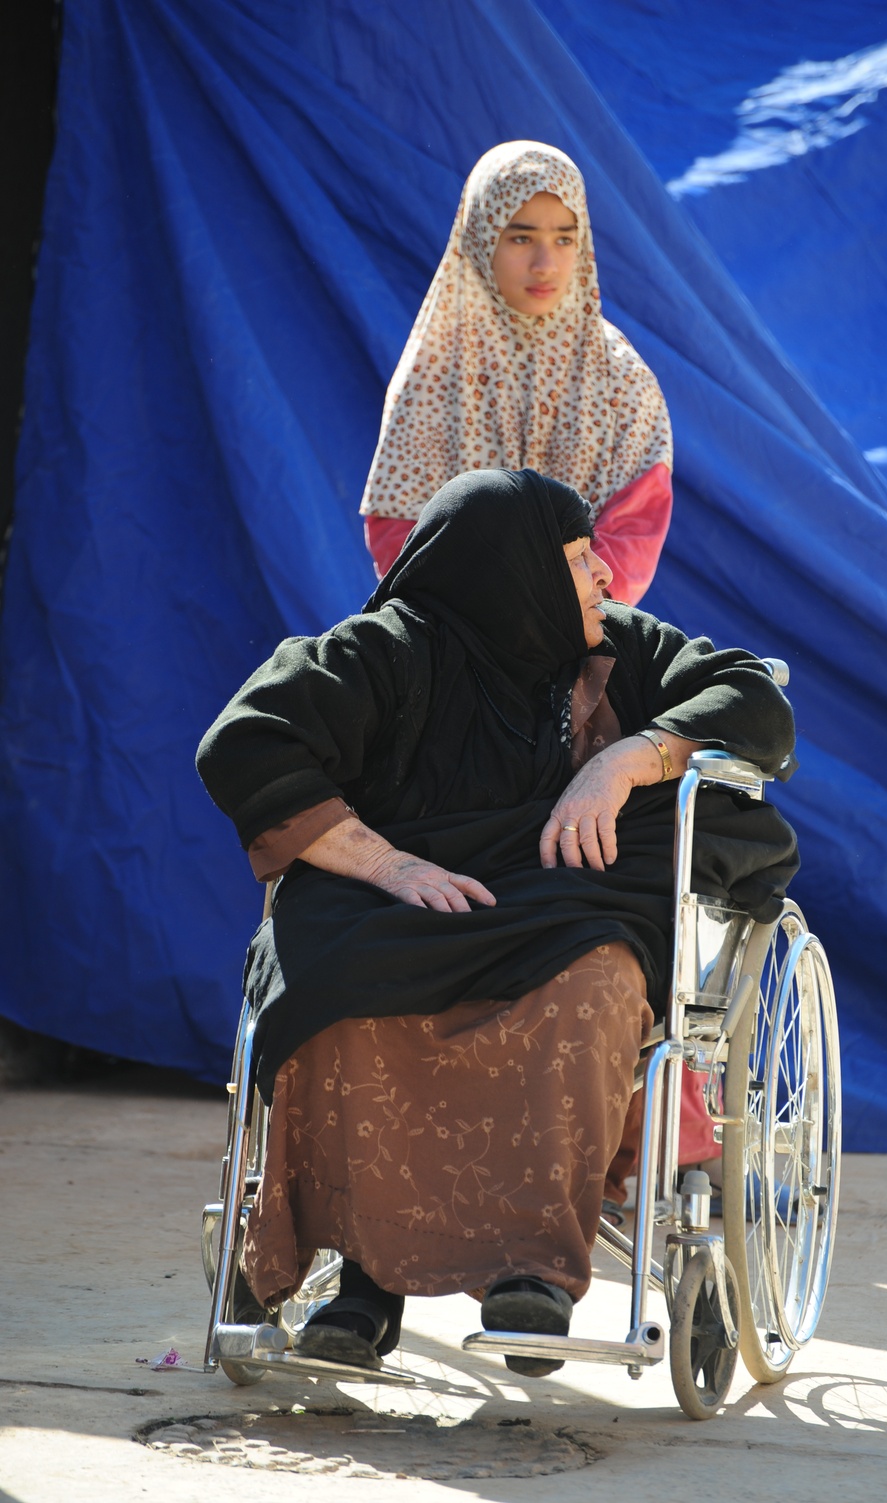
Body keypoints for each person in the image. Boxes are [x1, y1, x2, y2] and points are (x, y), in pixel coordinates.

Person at [197, 468, 797, 1376]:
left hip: (566, 909)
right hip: (407, 905)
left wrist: (630, 758)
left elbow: (754, 700)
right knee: (333, 988)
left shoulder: (621, 652)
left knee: (594, 981)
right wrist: (387, 862)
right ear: (510, 571)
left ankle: (534, 1270)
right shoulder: (388, 652)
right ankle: (363, 1281)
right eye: (580, 560)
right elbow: (247, 736)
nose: (605, 577)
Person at [359, 141, 674, 607]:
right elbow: (399, 530)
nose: (545, 264)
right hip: (460, 645)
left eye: (565, 239)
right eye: (522, 237)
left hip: (586, 632)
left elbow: (636, 527)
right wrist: (489, 616)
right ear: (482, 236)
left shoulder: (618, 375)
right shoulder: (435, 371)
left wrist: (558, 609)